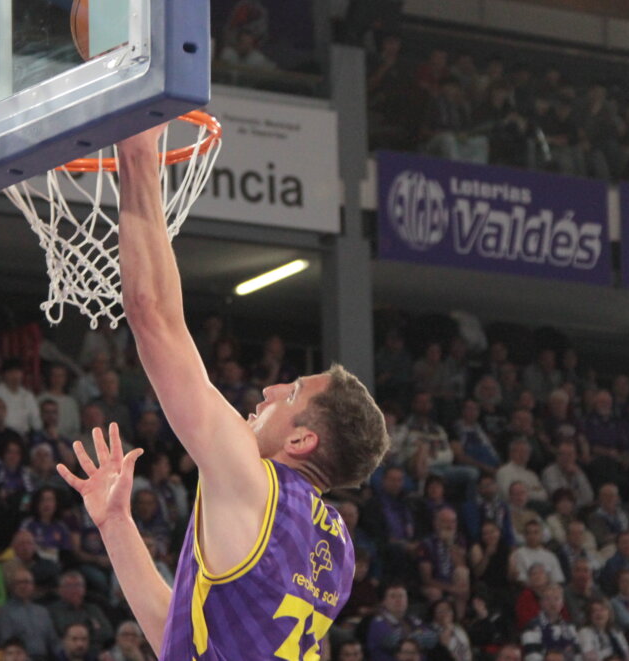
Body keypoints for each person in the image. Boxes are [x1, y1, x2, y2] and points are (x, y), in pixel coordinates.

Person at [53, 127, 391, 659]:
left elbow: (153, 318)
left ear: (301, 440)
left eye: (293, 391)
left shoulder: (255, 484)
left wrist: (139, 154)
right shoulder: (337, 552)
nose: (272, 387)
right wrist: (116, 525)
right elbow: (181, 638)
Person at [0, 568, 59, 661]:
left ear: (33, 586)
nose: (23, 586)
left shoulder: (42, 612)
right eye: (19, 583)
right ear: (12, 586)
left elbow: (54, 642)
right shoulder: (4, 612)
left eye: (27, 582)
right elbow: (6, 645)